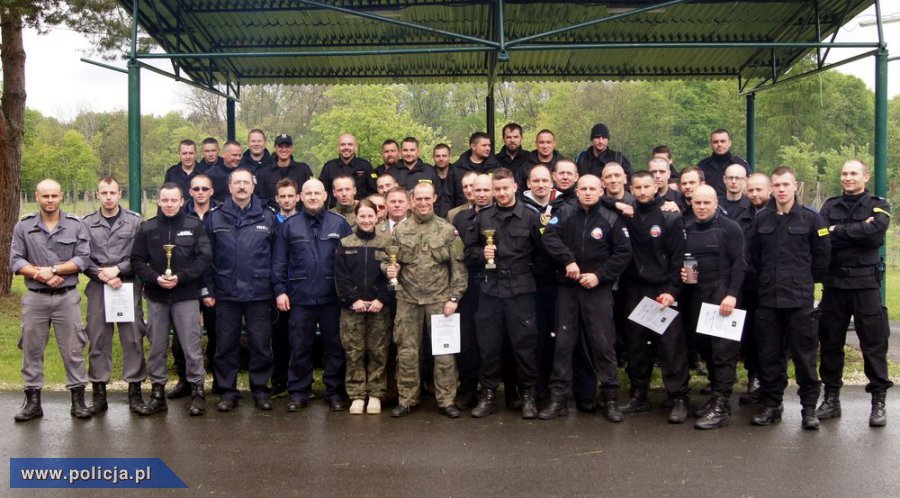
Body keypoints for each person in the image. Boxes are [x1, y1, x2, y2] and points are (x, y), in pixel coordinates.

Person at [538, 175, 632, 422]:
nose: (588, 192)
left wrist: (600, 276)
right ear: (577, 191)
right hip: (568, 289)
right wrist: (567, 260)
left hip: (597, 290)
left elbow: (623, 253)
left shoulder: (612, 218)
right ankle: (558, 399)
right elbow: (549, 237)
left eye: (592, 188)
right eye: (584, 189)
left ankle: (610, 399)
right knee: (563, 345)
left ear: (601, 190)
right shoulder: (565, 212)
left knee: (603, 345)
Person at [748, 166, 830, 430]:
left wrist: (802, 281)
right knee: (769, 357)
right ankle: (772, 406)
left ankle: (809, 410)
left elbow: (822, 259)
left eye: (786, 184)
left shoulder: (811, 219)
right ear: (771, 188)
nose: (781, 189)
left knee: (805, 358)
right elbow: (754, 256)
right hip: (769, 300)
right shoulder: (762, 219)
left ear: (795, 186)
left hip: (799, 301)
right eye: (777, 185)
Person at [817, 159, 892, 427]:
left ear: (866, 177)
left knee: (873, 343)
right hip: (835, 284)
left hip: (865, 284)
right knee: (830, 343)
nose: (848, 178)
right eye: (844, 174)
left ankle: (878, 402)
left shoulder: (879, 205)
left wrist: (838, 231)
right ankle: (831, 399)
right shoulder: (830, 206)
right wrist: (857, 230)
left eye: (853, 173)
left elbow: (874, 236)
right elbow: (822, 236)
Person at [10, 179, 93, 421]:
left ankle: (78, 401)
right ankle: (32, 402)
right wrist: (40, 275)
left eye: (54, 196)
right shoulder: (24, 226)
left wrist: (53, 270)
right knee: (31, 350)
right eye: (45, 196)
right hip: (35, 298)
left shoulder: (76, 225)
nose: (50, 200)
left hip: (66, 297)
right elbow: (16, 260)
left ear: (61, 196)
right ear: (37, 196)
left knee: (73, 349)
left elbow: (82, 258)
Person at [465, 168, 544, 419]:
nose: (501, 193)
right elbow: (468, 252)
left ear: (515, 187)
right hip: (490, 289)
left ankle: (528, 395)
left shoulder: (531, 216)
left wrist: (529, 276)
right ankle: (488, 396)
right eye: (496, 189)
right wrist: (481, 254)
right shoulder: (483, 217)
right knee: (488, 346)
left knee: (524, 345)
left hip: (521, 291)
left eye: (505, 188)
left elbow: (543, 254)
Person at [384, 182, 468, 418]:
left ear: (434, 199)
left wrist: (454, 297)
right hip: (408, 300)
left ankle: (446, 400)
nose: (422, 203)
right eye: (418, 199)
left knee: (444, 354)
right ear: (412, 201)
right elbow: (387, 260)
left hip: (440, 301)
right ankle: (407, 399)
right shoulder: (400, 231)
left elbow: (459, 268)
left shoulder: (447, 230)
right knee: (407, 352)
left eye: (427, 198)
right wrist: (388, 269)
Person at [131, 182, 212, 416]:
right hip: (157, 297)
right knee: (157, 346)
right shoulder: (148, 228)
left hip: (185, 295)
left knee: (191, 346)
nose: (169, 204)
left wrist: (181, 277)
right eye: (165, 200)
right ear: (158, 201)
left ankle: (197, 392)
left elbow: (205, 258)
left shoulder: (194, 226)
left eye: (173, 200)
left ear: (182, 201)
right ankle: (158, 393)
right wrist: (155, 279)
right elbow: (137, 260)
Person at [273, 179, 353, 412]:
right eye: (308, 193)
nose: (313, 197)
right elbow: (279, 261)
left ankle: (334, 392)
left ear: (326, 195)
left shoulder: (339, 224)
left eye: (317, 193)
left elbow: (350, 261)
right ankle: (299, 392)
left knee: (335, 346)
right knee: (300, 346)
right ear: (300, 196)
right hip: (300, 296)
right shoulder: (290, 225)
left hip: (332, 297)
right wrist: (280, 291)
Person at [204, 168, 278, 412]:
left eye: (246, 182)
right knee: (225, 345)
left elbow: (277, 256)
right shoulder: (215, 217)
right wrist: (209, 290)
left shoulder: (268, 217)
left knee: (261, 344)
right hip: (226, 292)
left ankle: (260, 390)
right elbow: (206, 258)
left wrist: (275, 288)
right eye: (237, 182)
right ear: (229, 187)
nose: (242, 186)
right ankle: (228, 391)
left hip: (259, 292)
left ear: (253, 186)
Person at [618, 171, 690, 424]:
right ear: (631, 188)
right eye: (637, 187)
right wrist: (617, 204)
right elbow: (600, 199)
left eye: (646, 186)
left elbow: (679, 258)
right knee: (636, 345)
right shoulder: (628, 214)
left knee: (671, 346)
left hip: (663, 289)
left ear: (655, 187)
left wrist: (672, 291)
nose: (642, 191)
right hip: (635, 289)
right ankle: (639, 395)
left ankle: (679, 397)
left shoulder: (670, 216)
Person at [679, 185, 746, 430]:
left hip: (723, 296)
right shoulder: (688, 228)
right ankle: (717, 398)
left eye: (706, 202)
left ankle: (721, 405)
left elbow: (740, 263)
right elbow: (686, 261)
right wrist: (684, 276)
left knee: (723, 352)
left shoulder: (730, 227)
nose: (702, 207)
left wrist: (732, 295)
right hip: (698, 295)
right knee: (705, 348)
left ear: (716, 203)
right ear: (692, 203)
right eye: (697, 203)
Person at [81, 177, 147, 415]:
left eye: (112, 192)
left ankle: (135, 391)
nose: (108, 197)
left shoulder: (135, 221)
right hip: (99, 286)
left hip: (126, 285)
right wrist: (105, 275)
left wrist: (118, 270)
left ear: (120, 194)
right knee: (98, 338)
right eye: (104, 193)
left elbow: (140, 254)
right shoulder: (86, 223)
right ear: (97, 194)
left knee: (133, 338)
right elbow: (82, 257)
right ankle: (99, 393)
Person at [335, 200, 393, 414]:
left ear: (377, 217)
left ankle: (376, 394)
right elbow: (341, 276)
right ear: (356, 217)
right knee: (354, 352)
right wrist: (353, 300)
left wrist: (382, 299)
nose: (366, 220)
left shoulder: (387, 243)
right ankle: (357, 395)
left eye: (370, 216)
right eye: (362, 216)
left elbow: (393, 276)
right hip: (352, 308)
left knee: (378, 351)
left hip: (379, 308)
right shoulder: (345, 243)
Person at [169, 174, 220, 399]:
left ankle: (218, 379)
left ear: (211, 191)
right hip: (185, 283)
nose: (200, 192)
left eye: (204, 188)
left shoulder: (220, 214)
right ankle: (185, 381)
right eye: (196, 189)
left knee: (217, 334)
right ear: (189, 192)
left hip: (213, 283)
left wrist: (209, 288)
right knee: (181, 337)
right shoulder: (179, 214)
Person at [451, 174, 494, 410]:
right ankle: (467, 389)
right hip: (467, 286)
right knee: (467, 342)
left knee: (489, 341)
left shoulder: (499, 215)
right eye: (476, 190)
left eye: (486, 190)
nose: (481, 194)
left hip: (494, 287)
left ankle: (488, 391)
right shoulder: (460, 218)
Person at [270, 178, 302, 397]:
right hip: (277, 287)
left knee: (300, 339)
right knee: (278, 337)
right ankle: (279, 380)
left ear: (298, 197)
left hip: (299, 287)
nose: (287, 200)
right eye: (283, 196)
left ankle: (299, 381)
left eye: (291, 196)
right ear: (277, 198)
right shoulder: (271, 222)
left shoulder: (304, 221)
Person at [255, 133, 313, 209]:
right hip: (271, 214)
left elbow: (309, 194)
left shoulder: (303, 170)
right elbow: (259, 198)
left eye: (287, 146)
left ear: (292, 148)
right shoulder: (263, 171)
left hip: (298, 214)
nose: (284, 150)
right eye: (280, 146)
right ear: (275, 148)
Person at [320, 133, 377, 204]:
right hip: (335, 209)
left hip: (360, 209)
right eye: (343, 145)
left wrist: (363, 204)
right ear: (338, 147)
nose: (346, 147)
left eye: (350, 144)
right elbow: (322, 193)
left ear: (355, 147)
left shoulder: (366, 166)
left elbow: (373, 192)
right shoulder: (328, 167)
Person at [449, 132, 500, 207]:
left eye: (489, 145)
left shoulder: (496, 168)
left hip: (491, 211)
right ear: (473, 146)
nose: (488, 148)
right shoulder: (457, 168)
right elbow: (448, 196)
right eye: (484, 145)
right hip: (463, 211)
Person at [697, 129, 749, 196]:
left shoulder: (741, 164)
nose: (719, 144)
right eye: (715, 142)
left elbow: (749, 187)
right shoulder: (702, 166)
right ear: (711, 144)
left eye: (722, 141)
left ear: (729, 143)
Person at [719, 164, 753, 232]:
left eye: (737, 178)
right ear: (724, 179)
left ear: (745, 180)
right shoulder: (715, 205)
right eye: (730, 178)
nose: (733, 182)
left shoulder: (752, 207)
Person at [433, 143, 455, 218]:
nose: (441, 159)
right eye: (438, 156)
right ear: (433, 157)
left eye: (444, 156)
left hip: (453, 217)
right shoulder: (429, 174)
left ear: (450, 157)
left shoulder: (458, 175)